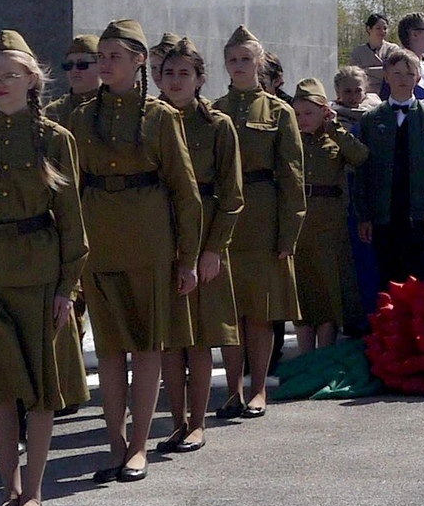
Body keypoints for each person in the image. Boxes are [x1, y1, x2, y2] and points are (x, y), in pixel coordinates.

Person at [0, 33, 88, 506]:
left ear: (33, 79)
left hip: (38, 270)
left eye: (11, 75)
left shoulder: (55, 138)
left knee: (41, 389)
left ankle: (33, 493)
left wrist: (67, 288)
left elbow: (72, 220)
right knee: (1, 388)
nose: (0, 84)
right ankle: (7, 490)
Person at [66, 19, 202, 484]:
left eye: (114, 57)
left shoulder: (161, 117)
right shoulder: (82, 117)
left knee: (146, 347)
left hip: (150, 243)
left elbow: (186, 193)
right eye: (101, 56)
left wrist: (187, 259)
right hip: (98, 243)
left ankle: (140, 445)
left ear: (140, 60)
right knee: (108, 350)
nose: (104, 64)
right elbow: (69, 188)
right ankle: (115, 443)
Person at [151, 34, 238, 448]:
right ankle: (176, 420)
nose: (175, 81)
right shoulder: (148, 121)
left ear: (201, 79)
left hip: (203, 233)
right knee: (170, 337)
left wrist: (213, 249)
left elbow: (232, 196)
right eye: (168, 73)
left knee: (200, 337)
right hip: (159, 233)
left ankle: (199, 421)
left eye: (184, 73)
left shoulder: (218, 125)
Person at [218, 26, 304, 418]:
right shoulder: (214, 109)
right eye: (233, 60)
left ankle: (258, 389)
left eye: (246, 59)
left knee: (261, 310)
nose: (239, 66)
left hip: (263, 216)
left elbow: (292, 176)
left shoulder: (278, 111)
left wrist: (289, 232)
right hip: (224, 220)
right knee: (228, 310)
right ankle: (232, 389)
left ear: (260, 63)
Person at [355, 47, 424, 288]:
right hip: (383, 214)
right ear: (386, 76)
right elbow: (363, 171)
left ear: (418, 78)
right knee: (386, 278)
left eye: (409, 74)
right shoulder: (372, 119)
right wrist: (364, 216)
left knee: (416, 278)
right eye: (396, 73)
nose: (402, 79)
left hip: (418, 215)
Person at [290, 78, 365, 350]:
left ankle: (325, 357)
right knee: (301, 292)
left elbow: (360, 157)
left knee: (328, 291)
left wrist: (334, 127)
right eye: (297, 114)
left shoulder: (335, 137)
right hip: (298, 221)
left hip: (329, 223)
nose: (302, 120)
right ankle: (305, 358)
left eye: (309, 113)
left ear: (324, 110)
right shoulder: (290, 139)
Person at [56, 35, 102, 116]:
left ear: (100, 65)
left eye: (82, 64)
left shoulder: (112, 107)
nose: (74, 70)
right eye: (69, 65)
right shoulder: (54, 112)